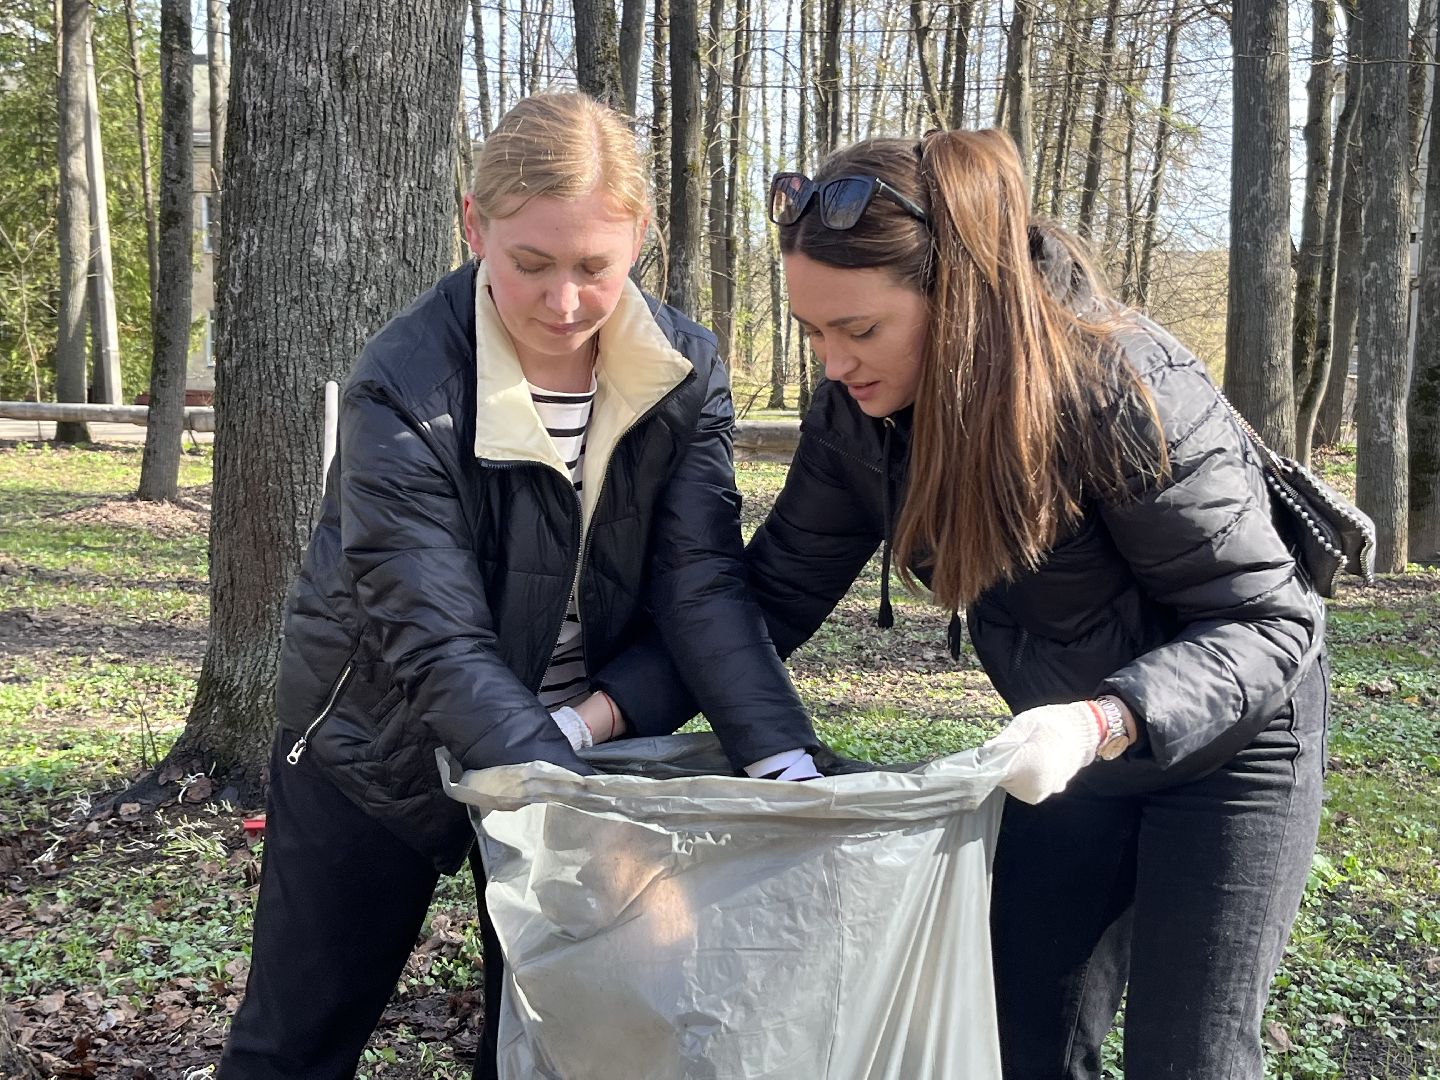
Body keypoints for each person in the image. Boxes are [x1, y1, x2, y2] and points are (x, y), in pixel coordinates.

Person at [217, 92, 825, 1080]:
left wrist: (782, 763)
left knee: (554, 1044)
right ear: (475, 225)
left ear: (641, 241)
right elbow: (436, 638)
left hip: (581, 739)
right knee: (296, 1041)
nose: (565, 303)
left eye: (595, 267)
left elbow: (702, 580)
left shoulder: (684, 370)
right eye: (530, 264)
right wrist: (582, 815)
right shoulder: (403, 385)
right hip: (380, 745)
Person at [733, 129, 1326, 1078]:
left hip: (1231, 748)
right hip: (1063, 755)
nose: (833, 362)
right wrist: (590, 712)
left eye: (860, 330)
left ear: (958, 302)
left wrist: (1108, 718)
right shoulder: (857, 416)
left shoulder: (1123, 386)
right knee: (1019, 1038)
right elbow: (766, 597)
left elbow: (1271, 621)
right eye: (812, 330)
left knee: (1191, 1057)